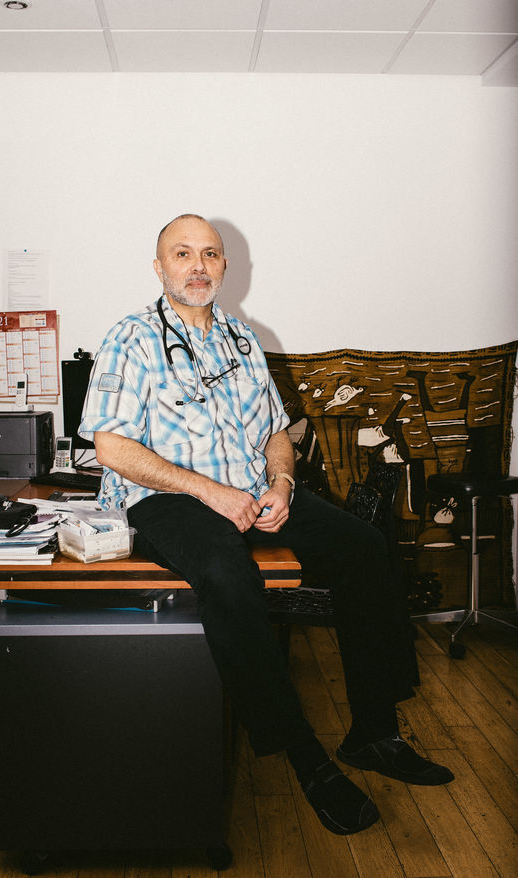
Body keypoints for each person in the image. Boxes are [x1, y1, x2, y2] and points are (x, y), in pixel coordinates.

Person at [79, 214, 453, 836]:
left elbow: (277, 431)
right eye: (182, 253)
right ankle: (304, 756)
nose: (197, 265)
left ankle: (374, 732)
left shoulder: (242, 338)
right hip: (170, 497)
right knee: (227, 575)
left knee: (364, 546)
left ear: (225, 266)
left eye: (209, 254)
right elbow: (112, 447)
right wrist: (210, 492)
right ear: (159, 266)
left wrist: (281, 483)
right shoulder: (132, 338)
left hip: (254, 491)